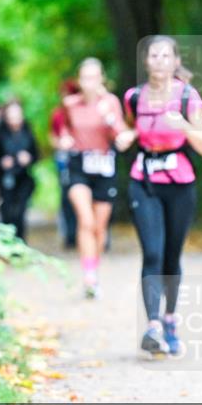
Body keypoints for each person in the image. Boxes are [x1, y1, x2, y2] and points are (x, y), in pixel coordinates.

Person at [117, 36, 202, 357]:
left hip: (180, 183)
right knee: (152, 253)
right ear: (146, 62)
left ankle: (170, 321)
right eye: (153, 55)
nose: (158, 60)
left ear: (175, 61)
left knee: (172, 257)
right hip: (143, 181)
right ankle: (153, 326)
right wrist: (128, 135)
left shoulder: (187, 96)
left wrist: (183, 124)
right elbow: (131, 127)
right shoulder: (134, 97)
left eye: (165, 55)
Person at [59, 58, 126, 298]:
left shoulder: (110, 103)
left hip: (104, 166)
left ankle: (93, 271)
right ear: (79, 80)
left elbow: (119, 133)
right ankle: (87, 275)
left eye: (94, 77)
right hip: (79, 165)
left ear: (101, 80)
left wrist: (110, 120)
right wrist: (64, 140)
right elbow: (63, 130)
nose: (89, 82)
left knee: (99, 227)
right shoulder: (70, 104)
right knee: (85, 221)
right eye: (85, 78)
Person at [0, 99, 38, 241]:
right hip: (5, 177)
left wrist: (28, 158)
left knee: (20, 210)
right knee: (6, 210)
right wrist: (2, 161)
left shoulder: (28, 131)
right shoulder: (0, 133)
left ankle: (20, 242)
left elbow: (36, 154)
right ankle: (6, 241)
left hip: (24, 177)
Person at [50, 79, 80, 249]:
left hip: (82, 159)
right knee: (66, 196)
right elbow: (52, 136)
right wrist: (60, 143)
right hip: (63, 159)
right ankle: (70, 234)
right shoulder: (58, 114)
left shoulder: (83, 112)